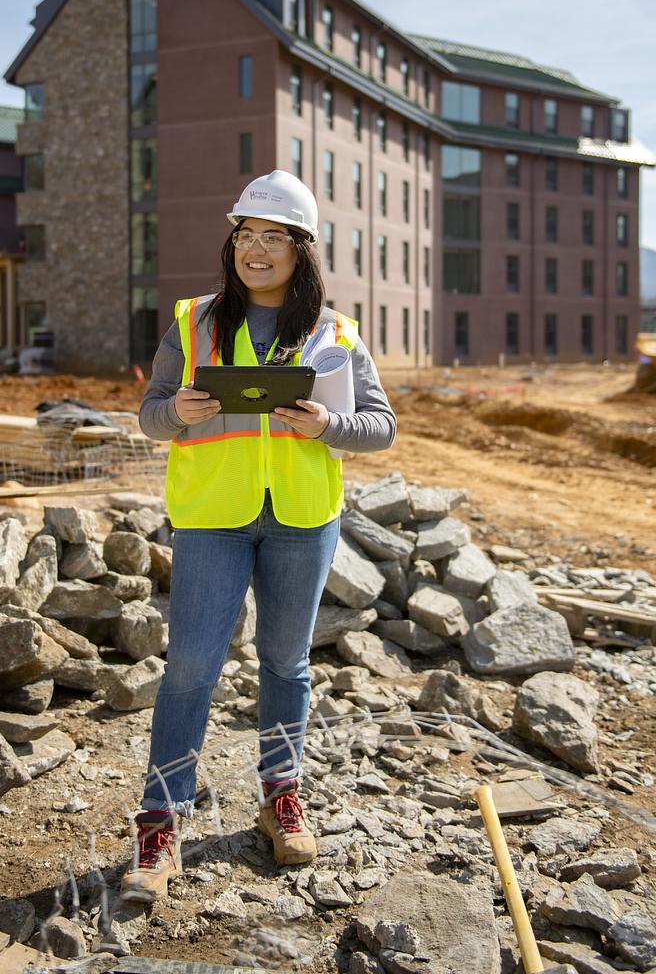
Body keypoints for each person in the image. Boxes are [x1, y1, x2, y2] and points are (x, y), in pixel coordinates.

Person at [121, 169, 396, 902]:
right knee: (190, 670)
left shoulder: (336, 333)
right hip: (213, 517)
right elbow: (148, 417)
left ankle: (281, 799)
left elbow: (382, 427)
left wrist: (329, 425)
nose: (257, 249)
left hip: (303, 520)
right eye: (247, 235)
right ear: (232, 243)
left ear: (301, 249)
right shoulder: (193, 322)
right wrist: (177, 410)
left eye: (275, 237)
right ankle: (161, 826)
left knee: (286, 665)